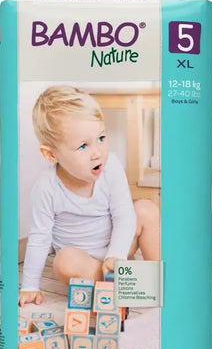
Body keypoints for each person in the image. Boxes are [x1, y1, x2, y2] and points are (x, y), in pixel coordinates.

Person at [19, 86, 160, 306]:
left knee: (146, 209)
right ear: (51, 154)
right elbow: (39, 238)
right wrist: (29, 286)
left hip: (118, 248)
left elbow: (124, 216)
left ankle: (157, 279)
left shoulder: (111, 166)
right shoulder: (46, 188)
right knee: (64, 261)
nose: (97, 153)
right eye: (83, 145)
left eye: (101, 138)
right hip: (85, 262)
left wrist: (116, 255)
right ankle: (121, 283)